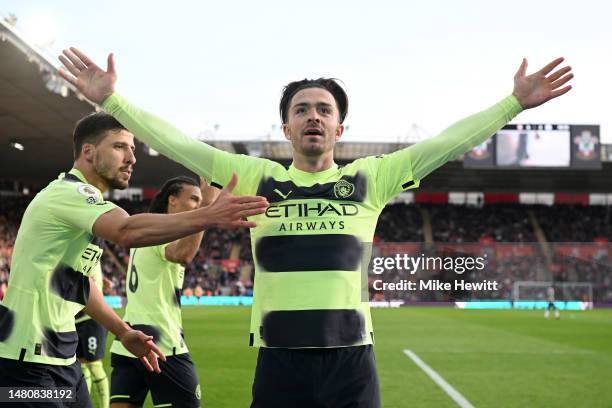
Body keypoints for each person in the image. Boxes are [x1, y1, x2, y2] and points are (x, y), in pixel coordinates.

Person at [59, 47, 573, 407]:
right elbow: (179, 144)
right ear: (285, 127)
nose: (313, 116)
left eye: (324, 110)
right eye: (301, 109)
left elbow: (444, 144)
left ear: (339, 128)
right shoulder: (256, 177)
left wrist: (513, 105)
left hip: (351, 362)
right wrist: (113, 102)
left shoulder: (372, 177)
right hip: (280, 361)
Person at [0, 111, 268, 408]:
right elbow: (126, 231)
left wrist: (124, 332)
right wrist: (208, 213)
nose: (132, 157)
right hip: (25, 366)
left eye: (132, 149)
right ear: (88, 152)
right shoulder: (67, 193)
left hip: (63, 361)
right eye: (119, 147)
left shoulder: (84, 210)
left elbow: (83, 288)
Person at [109, 176, 219, 408]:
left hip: (128, 342)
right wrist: (208, 208)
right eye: (193, 199)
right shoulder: (161, 232)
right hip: (162, 346)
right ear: (172, 200)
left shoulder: (148, 231)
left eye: (199, 200)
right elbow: (183, 255)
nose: (198, 205)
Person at [75, 244, 112, 408]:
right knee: (82, 365)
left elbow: (88, 280)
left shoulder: (88, 249)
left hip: (92, 318)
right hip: (75, 319)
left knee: (94, 365)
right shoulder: (78, 249)